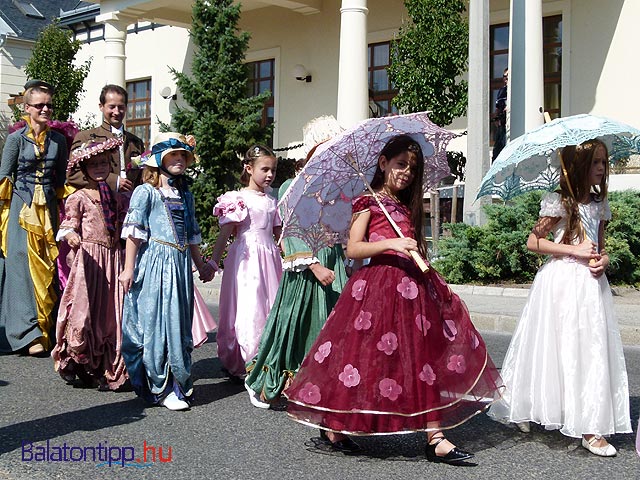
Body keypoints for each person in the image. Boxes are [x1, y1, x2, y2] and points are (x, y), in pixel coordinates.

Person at [285, 134, 504, 462]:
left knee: (423, 358)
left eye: (412, 168)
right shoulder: (367, 202)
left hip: (413, 289)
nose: (406, 173)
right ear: (383, 163)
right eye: (400, 164)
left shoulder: (403, 206)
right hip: (378, 288)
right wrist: (391, 245)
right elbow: (354, 249)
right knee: (363, 359)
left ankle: (435, 435)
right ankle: (335, 422)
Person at [488, 139, 631, 456]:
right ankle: (528, 404)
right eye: (595, 162)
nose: (601, 168)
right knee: (556, 348)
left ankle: (590, 424)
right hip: (562, 282)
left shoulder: (599, 203)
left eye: (604, 163)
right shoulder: (560, 203)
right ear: (579, 165)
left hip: (592, 285)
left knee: (590, 350)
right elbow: (533, 242)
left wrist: (603, 260)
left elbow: (600, 245)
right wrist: (573, 250)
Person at [118, 132, 215, 411]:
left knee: (179, 322)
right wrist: (128, 270)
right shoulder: (146, 192)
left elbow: (192, 235)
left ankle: (178, 382)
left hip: (180, 265)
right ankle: (159, 385)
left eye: (183, 155)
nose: (180, 160)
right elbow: (134, 234)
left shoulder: (185, 194)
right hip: (156, 263)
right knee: (157, 322)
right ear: (159, 159)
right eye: (174, 155)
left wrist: (201, 265)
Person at [244, 149, 348, 409]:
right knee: (293, 328)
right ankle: (263, 380)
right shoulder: (293, 186)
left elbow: (338, 230)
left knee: (329, 328)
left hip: (332, 263)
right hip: (306, 267)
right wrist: (313, 265)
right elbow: (291, 232)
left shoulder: (332, 190)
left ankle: (319, 386)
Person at [51, 138, 128, 390]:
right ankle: (82, 361)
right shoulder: (79, 198)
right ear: (84, 170)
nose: (99, 168)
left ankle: (107, 365)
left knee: (111, 315)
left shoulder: (116, 197)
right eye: (93, 164)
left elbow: (126, 227)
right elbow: (68, 224)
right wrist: (72, 235)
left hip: (113, 259)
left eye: (103, 163)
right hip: (91, 261)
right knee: (86, 311)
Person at [0, 80, 67, 355]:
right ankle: (27, 334)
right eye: (39, 105)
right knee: (20, 267)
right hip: (21, 209)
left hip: (48, 212)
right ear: (26, 108)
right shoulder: (16, 140)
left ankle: (46, 329)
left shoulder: (59, 141)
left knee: (47, 269)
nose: (45, 109)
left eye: (49, 105)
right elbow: (4, 176)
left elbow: (61, 179)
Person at [210, 145, 283, 382]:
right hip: (246, 258)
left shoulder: (272, 201)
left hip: (269, 258)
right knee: (247, 305)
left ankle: (266, 356)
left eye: (273, 170)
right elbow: (224, 234)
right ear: (249, 168)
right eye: (265, 169)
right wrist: (212, 262)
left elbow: (280, 235)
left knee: (269, 304)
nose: (270, 175)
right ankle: (245, 357)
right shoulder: (238, 199)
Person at [68, 84, 145, 193]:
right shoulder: (85, 137)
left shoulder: (136, 142)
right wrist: (113, 181)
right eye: (112, 107)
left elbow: (141, 177)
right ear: (101, 106)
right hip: (99, 201)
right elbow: (73, 174)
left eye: (121, 107)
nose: (117, 112)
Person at [492, 68, 508, 161]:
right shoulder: (501, 90)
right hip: (501, 125)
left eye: (508, 77)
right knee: (497, 154)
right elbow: (497, 107)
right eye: (504, 76)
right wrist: (496, 115)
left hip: (509, 124)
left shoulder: (515, 89)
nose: (505, 79)